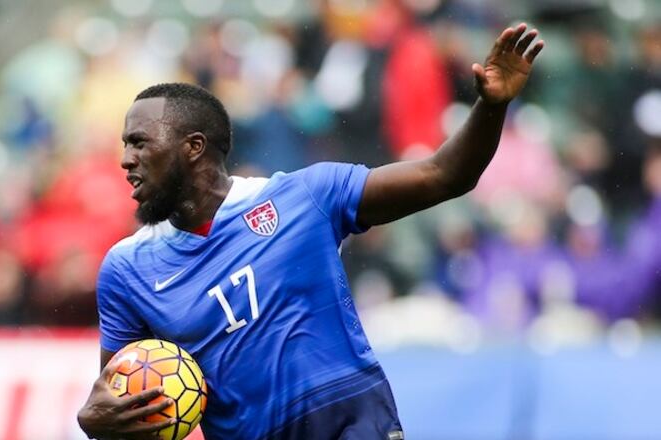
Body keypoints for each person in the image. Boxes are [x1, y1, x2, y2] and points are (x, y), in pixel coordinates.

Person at [77, 23, 544, 440]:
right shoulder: (126, 270)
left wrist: (490, 107)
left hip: (353, 426)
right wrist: (95, 424)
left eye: (139, 143)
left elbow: (444, 175)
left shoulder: (307, 196)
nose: (125, 159)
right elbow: (122, 401)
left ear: (193, 148)